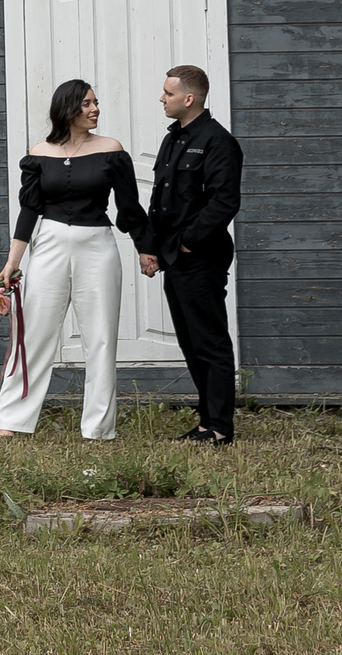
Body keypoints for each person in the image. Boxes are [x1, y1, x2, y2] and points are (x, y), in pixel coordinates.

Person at [0, 79, 148, 440]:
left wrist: (145, 247)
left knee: (101, 338)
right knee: (33, 333)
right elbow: (29, 209)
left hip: (98, 245)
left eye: (96, 103)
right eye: (87, 104)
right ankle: (12, 422)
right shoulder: (39, 152)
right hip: (48, 244)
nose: (95, 110)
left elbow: (129, 208)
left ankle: (97, 429)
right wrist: (12, 260)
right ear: (67, 109)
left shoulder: (112, 150)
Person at [137, 63, 243, 444]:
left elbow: (225, 201)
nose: (161, 98)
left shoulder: (217, 141)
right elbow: (158, 200)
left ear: (189, 97)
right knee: (190, 340)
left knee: (209, 340)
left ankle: (219, 428)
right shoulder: (173, 138)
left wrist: (189, 241)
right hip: (174, 258)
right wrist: (150, 246)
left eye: (167, 93)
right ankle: (205, 422)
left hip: (201, 256)